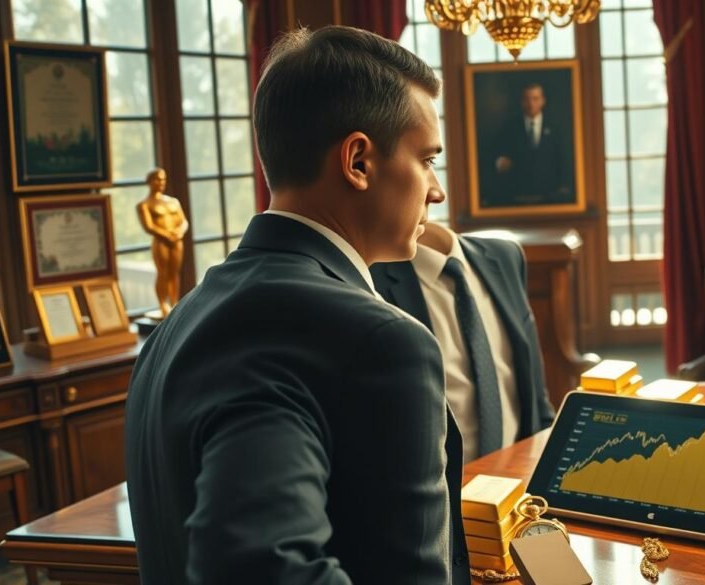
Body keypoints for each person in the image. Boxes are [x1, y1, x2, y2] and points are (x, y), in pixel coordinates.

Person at [125, 26, 466, 585]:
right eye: (428, 159)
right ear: (358, 161)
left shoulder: (175, 325)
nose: (436, 190)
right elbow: (252, 561)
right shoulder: (378, 341)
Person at [371, 223, 556, 464]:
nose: (437, 193)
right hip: (443, 490)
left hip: (519, 477)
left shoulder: (506, 256)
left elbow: (536, 399)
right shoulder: (370, 278)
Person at [486, 83, 574, 206]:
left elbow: (564, 159)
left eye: (535, 99)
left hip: (550, 196)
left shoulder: (556, 127)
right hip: (518, 195)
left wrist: (564, 186)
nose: (531, 104)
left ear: (543, 101)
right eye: (527, 99)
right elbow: (496, 157)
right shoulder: (509, 128)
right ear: (522, 102)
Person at [136, 168, 189, 317]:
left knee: (174, 272)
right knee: (163, 273)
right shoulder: (145, 204)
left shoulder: (173, 201)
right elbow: (149, 226)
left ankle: (174, 302)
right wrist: (166, 235)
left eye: (163, 179)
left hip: (176, 240)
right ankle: (163, 305)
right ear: (149, 182)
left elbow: (184, 221)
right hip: (161, 242)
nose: (161, 182)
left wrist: (179, 232)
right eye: (157, 179)